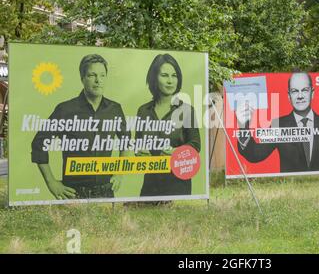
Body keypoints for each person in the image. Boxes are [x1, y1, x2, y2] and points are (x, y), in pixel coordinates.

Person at [31, 54, 131, 200]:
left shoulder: (115, 109)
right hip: (74, 193)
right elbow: (39, 144)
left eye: (102, 75)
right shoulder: (65, 110)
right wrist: (51, 182)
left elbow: (126, 141)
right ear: (82, 78)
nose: (98, 81)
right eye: (92, 75)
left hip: (106, 192)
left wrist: (120, 173)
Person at [236, 72, 319, 172]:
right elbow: (255, 155)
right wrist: (243, 126)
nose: (300, 96)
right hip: (288, 188)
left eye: (305, 90)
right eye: (295, 91)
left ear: (312, 93)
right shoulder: (277, 125)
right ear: (289, 96)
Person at [136, 53, 200, 196]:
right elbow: (138, 144)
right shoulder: (143, 111)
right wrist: (140, 152)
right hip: (149, 186)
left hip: (178, 184)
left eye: (174, 75)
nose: (170, 81)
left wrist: (176, 152)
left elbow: (195, 145)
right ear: (154, 78)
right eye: (164, 75)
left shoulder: (187, 110)